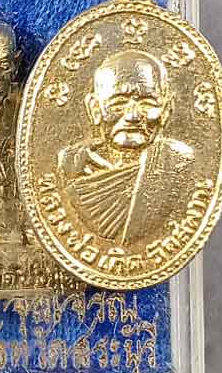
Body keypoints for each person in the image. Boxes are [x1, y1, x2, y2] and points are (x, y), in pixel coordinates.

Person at [58, 49, 195, 247]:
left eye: (147, 103)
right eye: (118, 103)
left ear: (166, 109)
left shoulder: (177, 162)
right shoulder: (72, 164)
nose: (132, 116)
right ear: (95, 109)